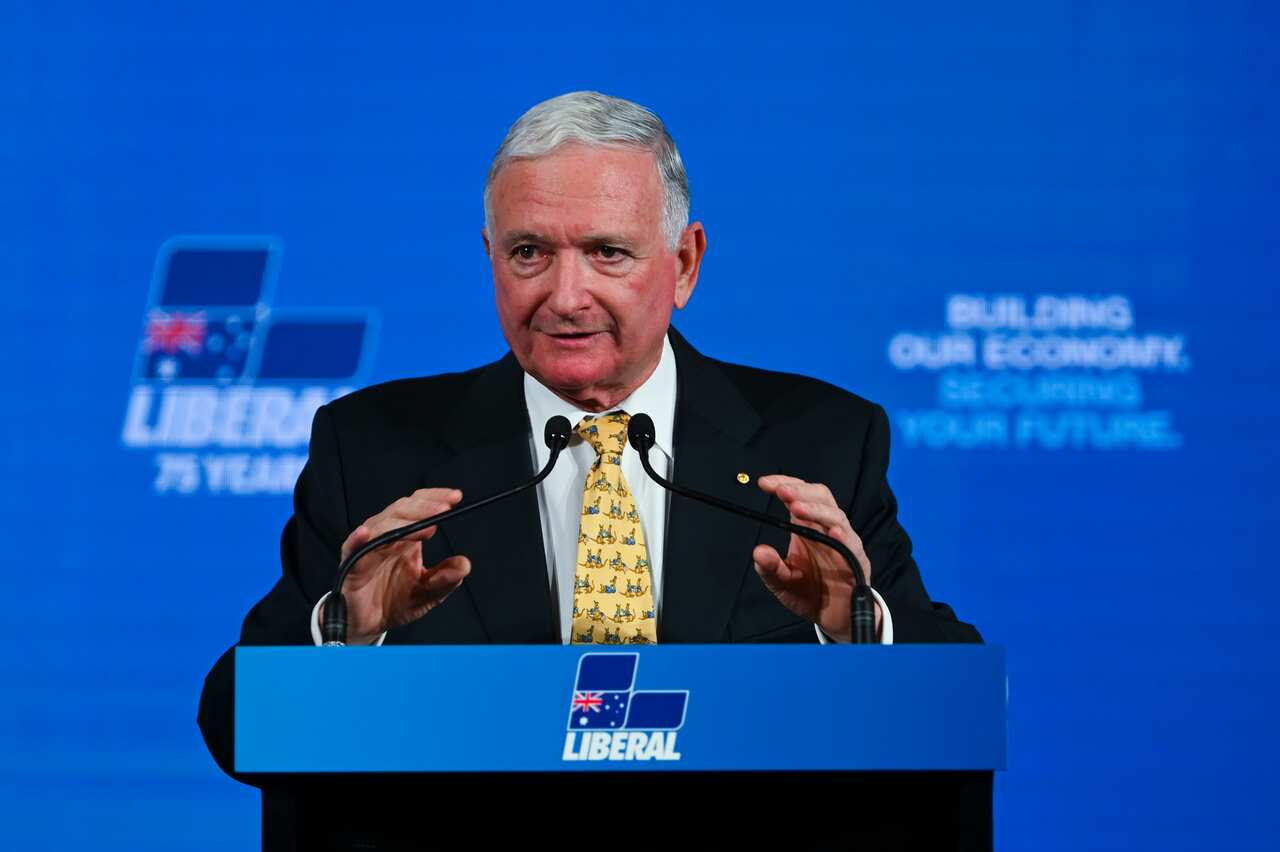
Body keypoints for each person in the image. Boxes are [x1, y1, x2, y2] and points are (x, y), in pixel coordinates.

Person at [199, 91, 985, 850]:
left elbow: (955, 698)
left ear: (684, 264)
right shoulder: (375, 446)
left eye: (607, 252)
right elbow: (236, 721)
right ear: (490, 258)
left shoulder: (819, 441)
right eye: (529, 253)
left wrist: (856, 627)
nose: (564, 295)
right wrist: (345, 633)